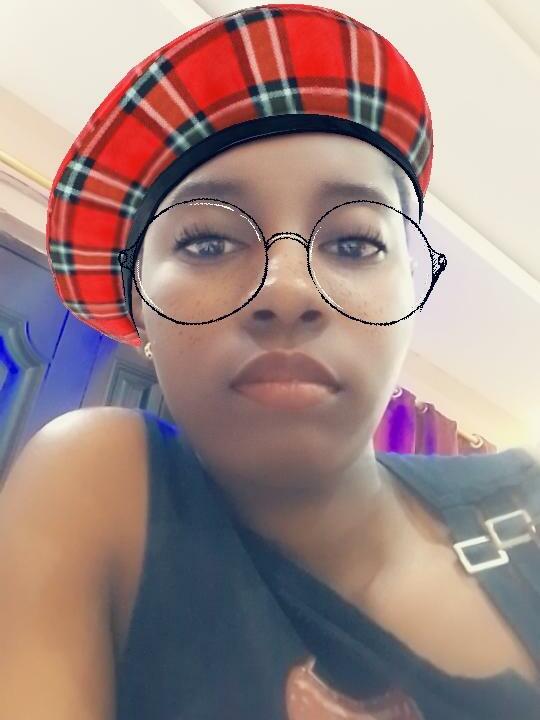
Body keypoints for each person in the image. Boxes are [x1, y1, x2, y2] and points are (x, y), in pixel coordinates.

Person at [1, 4, 539, 719]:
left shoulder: (525, 503)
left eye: (354, 243)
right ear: (140, 309)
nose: (289, 290)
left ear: (411, 288)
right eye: (207, 243)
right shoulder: (99, 483)